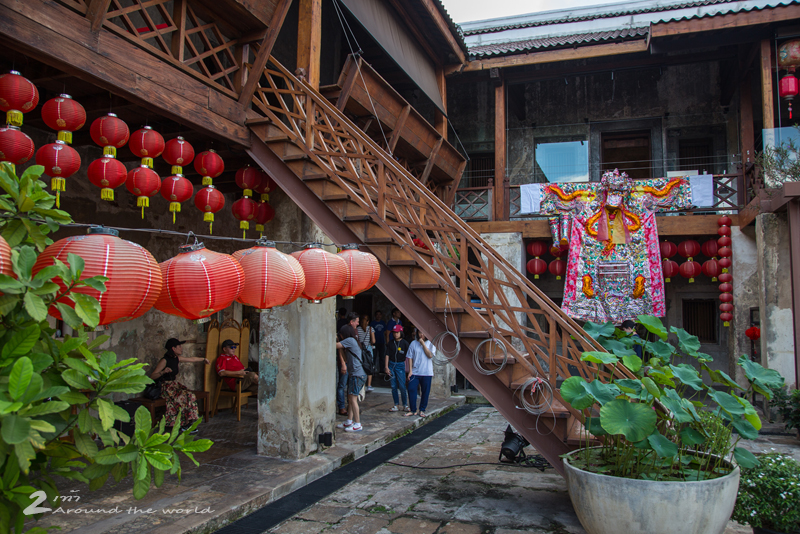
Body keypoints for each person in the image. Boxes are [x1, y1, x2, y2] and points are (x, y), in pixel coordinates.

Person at [150, 338, 209, 433]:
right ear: (173, 348)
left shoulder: (177, 358)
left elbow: (192, 359)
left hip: (174, 385)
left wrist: (203, 359)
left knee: (190, 395)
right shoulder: (164, 360)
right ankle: (183, 423)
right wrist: (163, 372)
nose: (181, 348)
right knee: (183, 397)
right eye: (179, 346)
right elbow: (152, 376)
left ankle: (189, 422)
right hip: (166, 387)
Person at [336, 315, 366, 432]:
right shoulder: (352, 341)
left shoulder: (350, 341)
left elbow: (335, 346)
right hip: (356, 374)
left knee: (353, 399)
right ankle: (349, 420)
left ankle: (358, 423)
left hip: (357, 375)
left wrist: (336, 339)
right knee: (350, 397)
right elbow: (344, 357)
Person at [405, 328, 435, 417]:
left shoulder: (431, 343)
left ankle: (422, 409)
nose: (421, 334)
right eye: (420, 332)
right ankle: (413, 410)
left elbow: (430, 355)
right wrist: (410, 371)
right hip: (415, 372)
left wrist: (423, 344)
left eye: (423, 332)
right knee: (411, 388)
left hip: (427, 372)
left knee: (425, 392)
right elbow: (410, 357)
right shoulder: (413, 343)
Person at [385, 324, 410, 412]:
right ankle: (396, 404)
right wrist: (386, 367)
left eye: (397, 332)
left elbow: (409, 356)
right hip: (391, 365)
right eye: (394, 333)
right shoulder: (391, 343)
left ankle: (405, 404)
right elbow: (387, 354)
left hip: (400, 365)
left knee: (402, 386)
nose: (395, 334)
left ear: (401, 333)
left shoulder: (405, 343)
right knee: (393, 386)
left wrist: (410, 369)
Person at [357, 314, 377, 391]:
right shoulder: (370, 329)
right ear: (368, 321)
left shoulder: (357, 329)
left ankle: (361, 384)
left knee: (361, 366)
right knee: (369, 366)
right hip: (368, 349)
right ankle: (369, 385)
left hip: (360, 348)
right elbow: (373, 341)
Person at [370, 311, 386, 386]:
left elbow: (385, 332)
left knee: (382, 356)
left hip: (382, 342)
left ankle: (382, 370)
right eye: (377, 315)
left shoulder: (383, 323)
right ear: (375, 315)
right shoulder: (372, 323)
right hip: (374, 342)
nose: (378, 316)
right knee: (374, 356)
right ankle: (372, 370)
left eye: (380, 314)